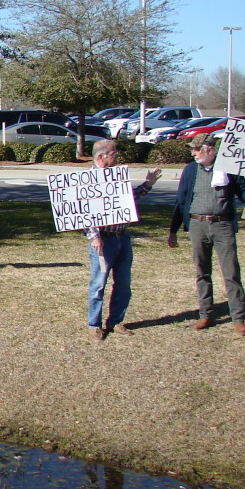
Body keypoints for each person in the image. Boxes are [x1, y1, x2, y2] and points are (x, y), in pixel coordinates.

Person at [167, 134, 245, 335]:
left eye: (197, 149)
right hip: (197, 225)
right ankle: (206, 315)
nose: (193, 153)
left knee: (231, 272)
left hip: (222, 225)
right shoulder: (190, 170)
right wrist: (173, 230)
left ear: (210, 149)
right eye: (192, 149)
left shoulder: (229, 169)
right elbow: (181, 200)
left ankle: (238, 317)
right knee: (202, 272)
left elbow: (243, 193)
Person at [84, 139, 161, 340]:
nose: (117, 156)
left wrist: (148, 184)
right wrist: (94, 236)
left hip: (122, 238)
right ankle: (94, 324)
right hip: (103, 240)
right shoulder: (87, 180)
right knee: (99, 283)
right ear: (101, 156)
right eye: (113, 153)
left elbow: (130, 198)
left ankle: (116, 320)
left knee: (123, 282)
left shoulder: (117, 177)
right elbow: (82, 211)